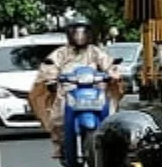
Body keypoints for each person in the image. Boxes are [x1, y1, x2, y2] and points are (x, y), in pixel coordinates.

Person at [30, 15, 120, 159]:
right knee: (58, 117)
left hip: (94, 91)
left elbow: (109, 65)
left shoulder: (96, 52)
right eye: (76, 32)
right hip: (68, 93)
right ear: (69, 33)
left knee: (110, 115)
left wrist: (112, 74)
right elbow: (50, 66)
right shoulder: (61, 53)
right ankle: (60, 145)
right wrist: (51, 79)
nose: (80, 36)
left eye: (83, 32)